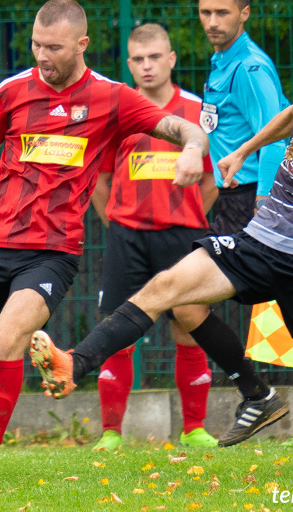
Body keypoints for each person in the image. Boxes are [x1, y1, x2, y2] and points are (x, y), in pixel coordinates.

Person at [30, 26, 293, 448]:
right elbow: (292, 115)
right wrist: (243, 149)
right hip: (259, 241)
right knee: (168, 289)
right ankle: (74, 363)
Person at [0, 0, 209, 482]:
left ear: (82, 44)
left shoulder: (111, 96)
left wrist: (195, 149)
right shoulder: (11, 91)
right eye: (36, 44)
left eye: (52, 47)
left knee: (15, 336)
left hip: (51, 253)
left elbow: (179, 126)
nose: (41, 55)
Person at [89, 24, 218, 451]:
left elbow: (213, 179)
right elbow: (99, 179)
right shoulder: (118, 111)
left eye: (154, 57)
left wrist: (189, 216)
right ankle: (110, 433)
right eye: (138, 59)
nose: (147, 66)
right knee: (117, 331)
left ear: (172, 58)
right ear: (128, 63)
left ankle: (194, 428)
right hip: (127, 237)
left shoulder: (197, 110)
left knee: (190, 326)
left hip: (183, 236)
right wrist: (119, 221)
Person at [197, 0, 289, 233]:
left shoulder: (249, 68)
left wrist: (264, 202)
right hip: (230, 197)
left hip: (250, 199)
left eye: (222, 13)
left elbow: (275, 136)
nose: (212, 22)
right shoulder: (224, 60)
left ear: (244, 14)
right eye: (206, 12)